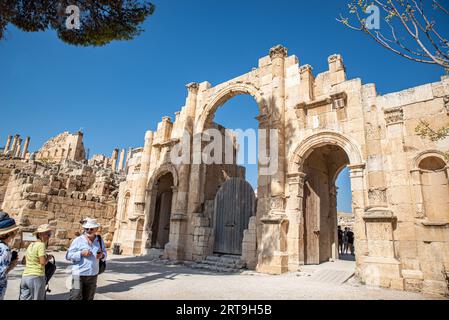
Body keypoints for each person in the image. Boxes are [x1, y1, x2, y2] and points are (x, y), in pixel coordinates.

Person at [66, 218, 107, 300]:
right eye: (86, 229)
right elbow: (68, 255)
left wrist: (102, 255)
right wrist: (81, 253)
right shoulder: (78, 240)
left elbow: (105, 254)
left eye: (91, 229)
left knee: (89, 297)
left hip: (92, 275)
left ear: (96, 229)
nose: (89, 230)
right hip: (78, 275)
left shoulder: (99, 240)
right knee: (75, 296)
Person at [19, 224, 53, 300]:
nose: (49, 236)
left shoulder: (31, 245)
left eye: (50, 234)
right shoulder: (41, 245)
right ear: (40, 234)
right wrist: (48, 258)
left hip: (25, 276)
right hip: (36, 276)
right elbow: (43, 262)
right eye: (48, 234)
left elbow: (24, 260)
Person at [0, 211, 20, 300]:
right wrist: (12, 265)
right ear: (8, 233)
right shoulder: (5, 249)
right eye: (14, 232)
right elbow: (1, 275)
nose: (15, 234)